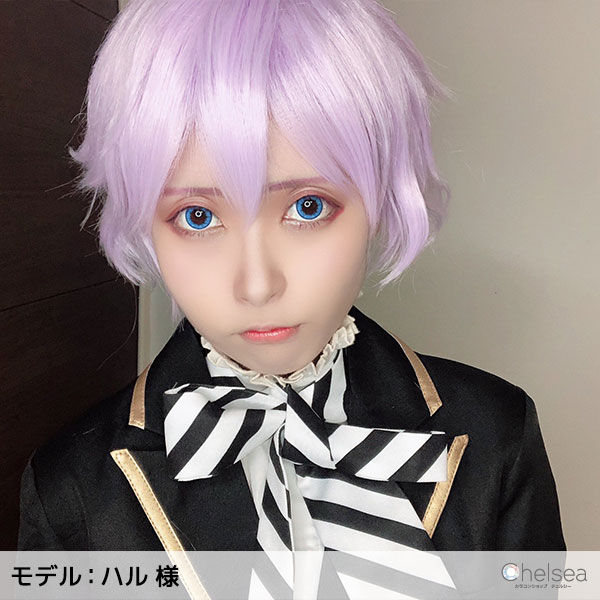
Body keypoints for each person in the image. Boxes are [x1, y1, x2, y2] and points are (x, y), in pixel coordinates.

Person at [18, 0, 565, 597]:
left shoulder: (496, 434)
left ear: (379, 199)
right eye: (197, 216)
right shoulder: (72, 484)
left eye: (308, 207)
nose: (257, 285)